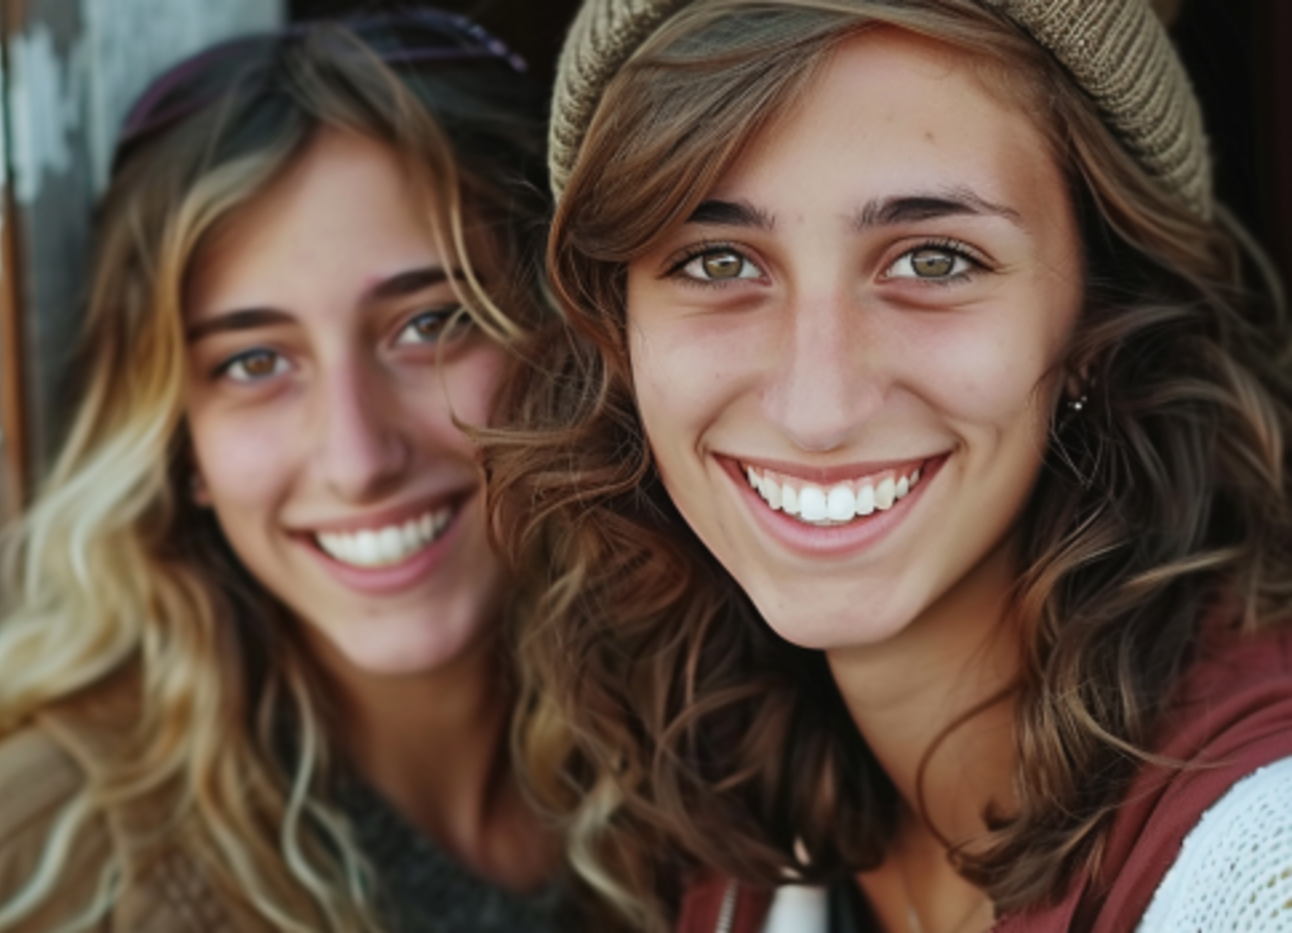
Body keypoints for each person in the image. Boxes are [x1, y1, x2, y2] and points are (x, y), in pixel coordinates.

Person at [485, 0, 1292, 930]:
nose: (817, 408)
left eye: (936, 259)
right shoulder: (717, 813)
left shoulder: (1256, 866)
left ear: (1096, 324)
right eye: (714, 263)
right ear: (618, 327)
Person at [0, 8, 579, 932]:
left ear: (562, 348)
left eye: (430, 323)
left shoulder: (726, 768)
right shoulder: (6, 887)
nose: (357, 458)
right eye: (254, 363)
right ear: (180, 446)